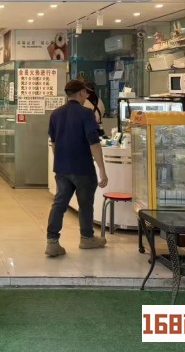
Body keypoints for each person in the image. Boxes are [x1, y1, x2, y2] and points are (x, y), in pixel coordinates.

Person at [45, 79, 109, 257]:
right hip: (83, 167)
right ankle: (87, 238)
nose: (86, 96)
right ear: (81, 93)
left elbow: (54, 143)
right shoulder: (86, 114)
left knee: (59, 203)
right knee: (85, 204)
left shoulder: (56, 114)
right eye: (85, 93)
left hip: (62, 168)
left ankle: (52, 242)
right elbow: (94, 143)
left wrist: (60, 162)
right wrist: (102, 170)